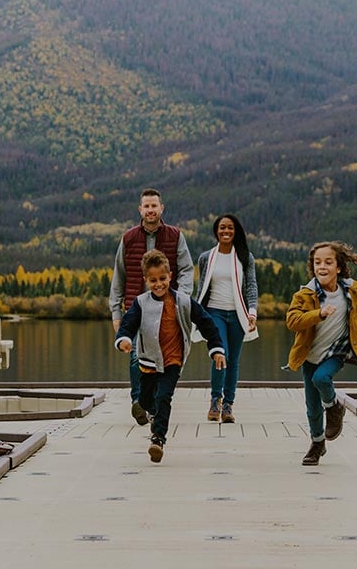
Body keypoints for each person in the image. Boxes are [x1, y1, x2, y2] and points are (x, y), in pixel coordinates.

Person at [286, 241, 357, 466]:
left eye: (328, 262)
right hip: (309, 355)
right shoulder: (305, 295)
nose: (322, 266)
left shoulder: (352, 290)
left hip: (337, 351)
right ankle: (317, 444)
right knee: (312, 406)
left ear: (339, 267)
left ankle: (335, 407)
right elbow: (292, 321)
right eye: (317, 262)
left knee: (321, 378)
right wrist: (319, 313)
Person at [115, 249, 226, 463]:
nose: (159, 284)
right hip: (147, 362)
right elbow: (128, 324)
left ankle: (158, 439)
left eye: (163, 279)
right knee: (147, 400)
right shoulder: (140, 303)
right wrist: (124, 340)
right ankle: (149, 410)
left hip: (173, 360)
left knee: (164, 397)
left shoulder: (183, 301)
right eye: (153, 280)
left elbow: (206, 322)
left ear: (170, 276)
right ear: (146, 280)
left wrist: (216, 349)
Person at [109, 188, 194, 425]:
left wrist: (183, 298)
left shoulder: (176, 236)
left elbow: (187, 269)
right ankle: (139, 403)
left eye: (154, 206)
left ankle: (154, 403)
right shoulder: (128, 238)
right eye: (146, 206)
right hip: (137, 309)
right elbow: (119, 277)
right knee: (137, 356)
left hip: (168, 309)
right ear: (140, 210)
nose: (150, 210)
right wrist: (117, 312)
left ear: (161, 208)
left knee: (164, 359)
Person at [195, 213, 258, 424]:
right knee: (220, 354)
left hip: (238, 314)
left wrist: (252, 312)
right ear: (216, 231)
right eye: (222, 228)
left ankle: (228, 405)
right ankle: (215, 401)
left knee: (233, 360)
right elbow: (202, 288)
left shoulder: (245, 257)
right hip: (215, 312)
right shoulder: (206, 257)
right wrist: (196, 313)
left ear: (236, 231)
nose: (226, 231)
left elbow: (251, 286)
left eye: (230, 228)